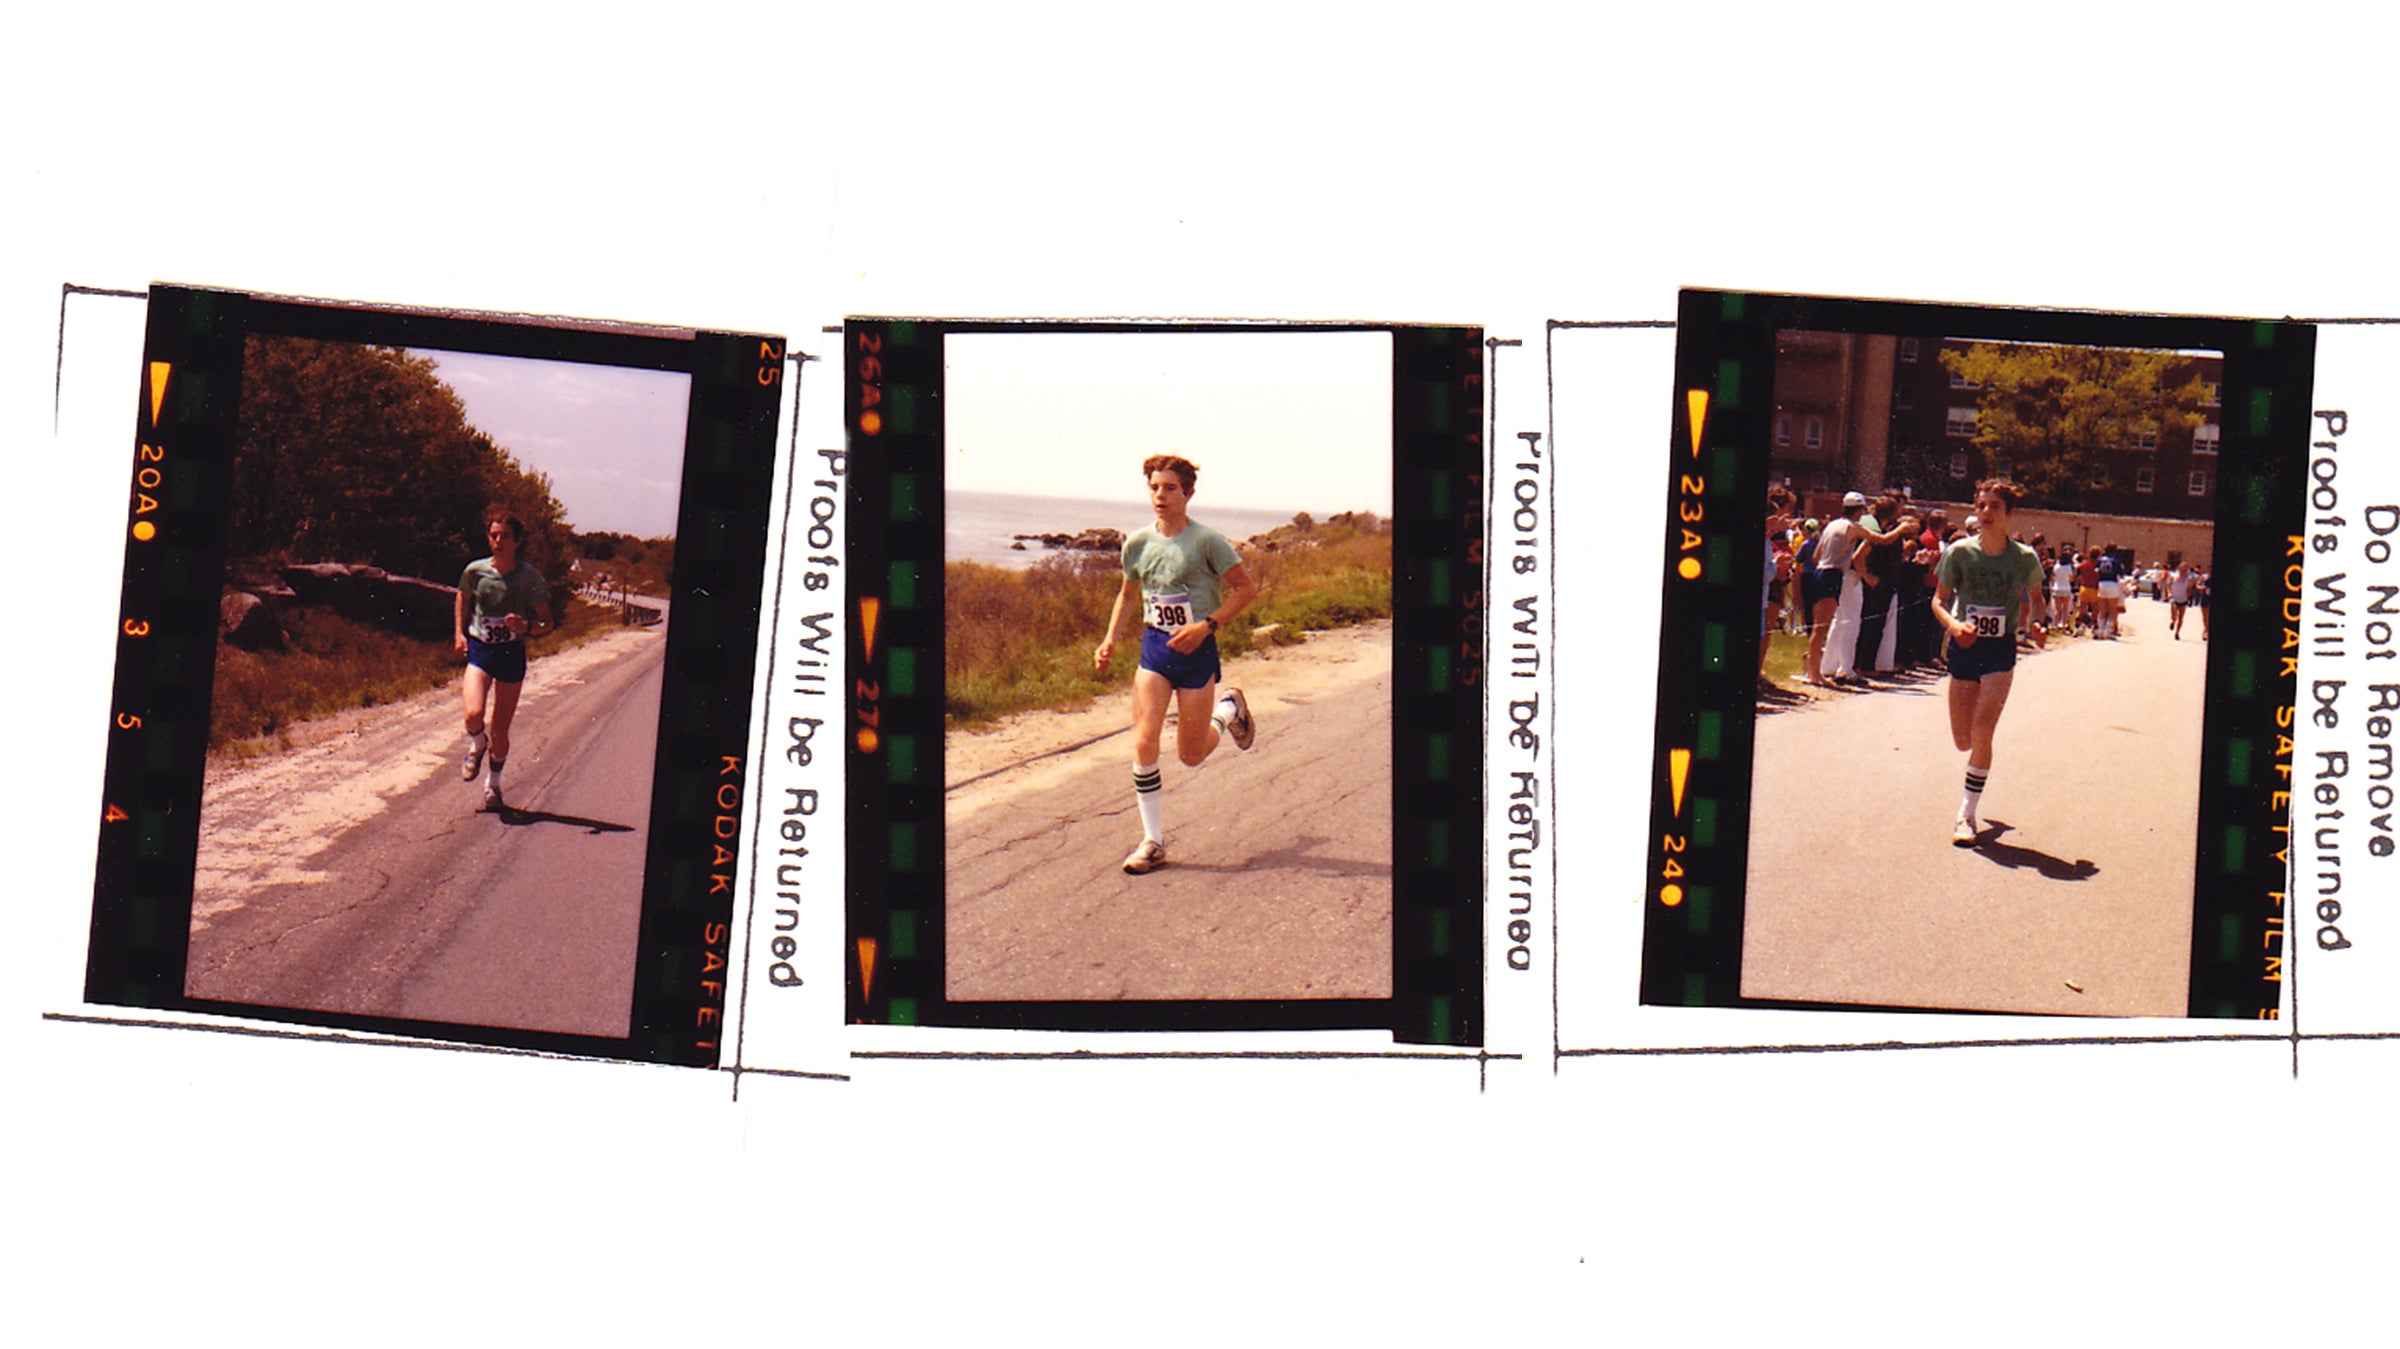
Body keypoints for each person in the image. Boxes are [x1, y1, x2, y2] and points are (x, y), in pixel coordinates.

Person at [1093, 455, 1261, 875]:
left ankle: (1229, 709)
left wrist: (1207, 626)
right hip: (1155, 649)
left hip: (1197, 652)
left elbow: (1245, 589)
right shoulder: (1137, 543)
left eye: (1169, 488)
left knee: (1190, 755)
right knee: (1144, 742)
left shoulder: (1207, 541)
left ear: (1188, 493)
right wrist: (1110, 638)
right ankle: (1153, 841)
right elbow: (1128, 594)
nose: (1160, 496)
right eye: (1154, 488)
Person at [1932, 479, 2048, 846]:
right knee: (1962, 740)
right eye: (1981, 505)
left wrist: (2039, 624)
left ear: (2010, 514)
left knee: (1983, 732)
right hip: (1965, 647)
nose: (1985, 512)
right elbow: (1938, 600)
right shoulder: (1959, 552)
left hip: (2000, 650)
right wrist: (1954, 625)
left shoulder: (2024, 558)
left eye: (1994, 506)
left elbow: (2038, 600)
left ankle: (1966, 814)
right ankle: (1975, 795)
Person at [455, 507, 556, 812]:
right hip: (481, 649)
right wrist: (459, 634)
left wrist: (526, 626)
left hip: (511, 655)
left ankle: (493, 786)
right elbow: (462, 597)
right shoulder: (476, 571)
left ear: (517, 540)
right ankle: (476, 744)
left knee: (500, 729)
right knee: (473, 715)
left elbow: (547, 623)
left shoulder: (529, 577)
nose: (498, 541)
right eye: (494, 535)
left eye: (505, 536)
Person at [1814, 491, 1870, 684]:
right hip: (1834, 573)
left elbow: (1816, 555)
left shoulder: (1832, 524)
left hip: (1822, 571)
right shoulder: (1852, 527)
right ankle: (1831, 671)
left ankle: (1822, 668)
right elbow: (1881, 539)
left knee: (1828, 624)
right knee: (1831, 624)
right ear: (1859, 510)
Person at [2167, 562, 2193, 639]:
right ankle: (2173, 621)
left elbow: (2189, 589)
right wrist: (2169, 593)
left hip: (2183, 599)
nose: (2183, 571)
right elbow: (2168, 585)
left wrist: (2189, 595)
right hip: (2174, 598)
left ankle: (2177, 633)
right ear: (2179, 569)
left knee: (2181, 617)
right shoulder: (2173, 577)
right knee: (2174, 613)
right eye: (2182, 569)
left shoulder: (2188, 579)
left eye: (2185, 570)